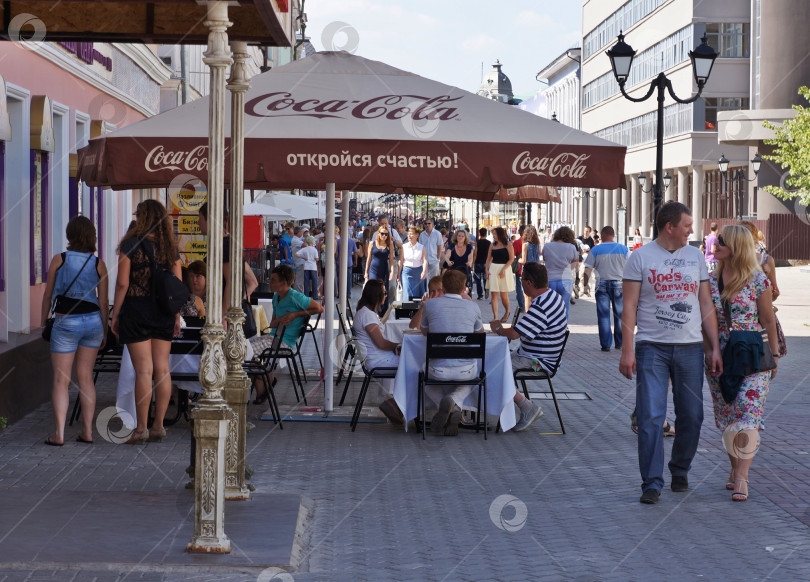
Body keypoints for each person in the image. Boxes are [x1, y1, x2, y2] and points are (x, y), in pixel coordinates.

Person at [620, 201, 723, 504]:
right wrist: (627, 350)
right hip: (652, 347)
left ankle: (680, 469)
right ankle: (651, 482)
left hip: (690, 348)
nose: (693, 231)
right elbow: (629, 306)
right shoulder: (639, 258)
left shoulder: (695, 258)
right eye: (688, 225)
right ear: (670, 227)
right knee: (651, 416)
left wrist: (714, 346)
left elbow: (706, 304)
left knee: (692, 415)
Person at [705, 225, 779, 502]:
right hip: (719, 355)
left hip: (751, 356)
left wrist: (774, 356)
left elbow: (768, 320)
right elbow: (704, 323)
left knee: (748, 415)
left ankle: (742, 477)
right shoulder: (709, 281)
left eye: (722, 241)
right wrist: (708, 350)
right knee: (728, 417)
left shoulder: (758, 280)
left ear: (737, 246)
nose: (715, 243)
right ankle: (734, 467)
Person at [111, 199, 182, 444]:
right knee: (162, 369)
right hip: (163, 312)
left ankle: (140, 428)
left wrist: (115, 314)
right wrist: (176, 315)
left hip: (136, 311)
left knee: (144, 370)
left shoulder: (130, 244)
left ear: (141, 218)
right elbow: (177, 286)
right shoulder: (170, 248)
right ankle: (158, 426)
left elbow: (122, 283)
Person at [41, 216, 109, 446]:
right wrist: (105, 329)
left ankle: (59, 434)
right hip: (92, 322)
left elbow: (48, 294)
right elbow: (103, 301)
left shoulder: (59, 260)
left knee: (61, 380)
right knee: (85, 378)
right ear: (92, 235)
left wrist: (44, 322)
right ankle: (87, 431)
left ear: (70, 235)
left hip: (66, 321)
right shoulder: (99, 263)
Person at [489, 263, 567, 432]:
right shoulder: (553, 296)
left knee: (493, 368)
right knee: (495, 362)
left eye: (522, 279)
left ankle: (527, 407)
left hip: (539, 361)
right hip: (543, 356)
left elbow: (515, 334)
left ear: (530, 283)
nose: (521, 282)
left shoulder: (540, 306)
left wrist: (497, 328)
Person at [420, 270, 486, 436]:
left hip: (437, 370)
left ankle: (449, 407)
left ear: (444, 287)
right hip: (465, 370)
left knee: (421, 372)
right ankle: (455, 403)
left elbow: (424, 331)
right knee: (476, 374)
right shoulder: (473, 306)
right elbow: (480, 333)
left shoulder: (430, 305)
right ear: (464, 288)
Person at [353, 279, 404, 425]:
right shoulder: (367, 315)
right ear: (377, 296)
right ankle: (396, 404)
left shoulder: (364, 312)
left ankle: (397, 404)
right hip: (378, 361)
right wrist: (398, 346)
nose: (386, 296)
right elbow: (381, 343)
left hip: (378, 358)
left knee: (412, 364)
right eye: (384, 293)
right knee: (415, 367)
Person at [583, 226, 629, 352]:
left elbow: (587, 269)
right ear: (613, 235)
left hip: (601, 285)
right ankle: (619, 343)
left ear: (603, 235)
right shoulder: (624, 249)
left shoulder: (596, 249)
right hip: (619, 284)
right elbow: (631, 268)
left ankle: (605, 345)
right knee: (620, 315)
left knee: (603, 316)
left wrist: (585, 285)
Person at [541, 226, 580, 320]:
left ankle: (550, 328)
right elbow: (575, 262)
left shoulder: (547, 246)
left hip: (550, 279)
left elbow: (545, 260)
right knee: (564, 308)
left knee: (549, 307)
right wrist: (567, 269)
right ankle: (562, 330)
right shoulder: (571, 247)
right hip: (566, 280)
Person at [738, 221, 780, 301]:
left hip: (760, 311)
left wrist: (765, 278)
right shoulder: (728, 259)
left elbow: (775, 293)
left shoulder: (766, 260)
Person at [485, 226, 515, 322]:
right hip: (493, 269)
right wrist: (486, 269)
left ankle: (507, 312)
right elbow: (489, 258)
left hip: (505, 269)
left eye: (495, 234)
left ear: (500, 234)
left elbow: (511, 259)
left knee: (503, 295)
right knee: (493, 294)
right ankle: (496, 318)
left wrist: (503, 269)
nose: (493, 236)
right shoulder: (492, 245)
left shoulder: (508, 244)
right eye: (493, 234)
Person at [365, 225, 395, 314]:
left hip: (384, 270)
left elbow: (391, 261)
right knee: (374, 290)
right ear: (378, 233)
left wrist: (392, 271)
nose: (384, 236)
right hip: (373, 269)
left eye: (386, 234)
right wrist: (366, 272)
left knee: (384, 291)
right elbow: (368, 258)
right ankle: (372, 312)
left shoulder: (390, 245)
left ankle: (382, 313)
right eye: (382, 233)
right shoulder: (372, 243)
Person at [399, 227, 427, 301]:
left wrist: (424, 272)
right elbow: (401, 261)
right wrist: (398, 275)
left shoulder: (421, 247)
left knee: (418, 294)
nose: (409, 236)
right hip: (406, 272)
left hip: (418, 273)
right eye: (408, 234)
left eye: (411, 234)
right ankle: (407, 311)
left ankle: (418, 311)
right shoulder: (404, 247)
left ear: (417, 235)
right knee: (408, 293)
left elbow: (424, 260)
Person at [519, 225, 541, 311]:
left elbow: (524, 260)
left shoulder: (525, 245)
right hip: (536, 270)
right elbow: (538, 258)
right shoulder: (537, 245)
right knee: (534, 294)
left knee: (526, 295)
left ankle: (528, 314)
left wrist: (518, 260)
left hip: (527, 271)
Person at [295, 235, 320, 301]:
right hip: (313, 267)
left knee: (306, 282)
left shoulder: (304, 249)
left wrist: (303, 258)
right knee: (314, 281)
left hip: (306, 267)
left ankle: (306, 295)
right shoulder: (315, 250)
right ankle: (315, 296)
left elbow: (296, 254)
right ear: (312, 242)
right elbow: (317, 259)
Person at [473, 227, 490, 300]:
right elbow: (490, 254)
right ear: (486, 234)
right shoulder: (489, 243)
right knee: (486, 278)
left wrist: (473, 262)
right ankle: (486, 290)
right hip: (486, 263)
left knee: (478, 280)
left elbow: (475, 253)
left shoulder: (477, 242)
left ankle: (480, 295)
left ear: (479, 234)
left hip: (478, 262)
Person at [512, 225, 526, 311]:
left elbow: (513, 255)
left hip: (520, 268)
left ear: (521, 231)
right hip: (531, 268)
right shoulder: (532, 242)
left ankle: (522, 306)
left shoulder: (517, 242)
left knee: (519, 287)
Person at [290, 226, 305, 292]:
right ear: (299, 232)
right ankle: (299, 293)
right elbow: (305, 245)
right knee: (299, 279)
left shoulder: (297, 239)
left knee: (299, 279)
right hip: (299, 262)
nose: (302, 233)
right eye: (301, 232)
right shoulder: (295, 240)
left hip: (299, 261)